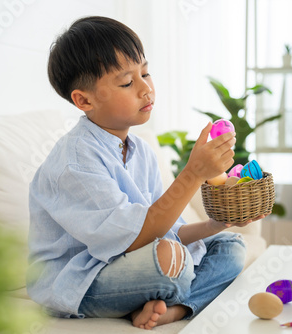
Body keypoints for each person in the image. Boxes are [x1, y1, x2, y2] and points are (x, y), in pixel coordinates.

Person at [27, 16, 266, 330]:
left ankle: (176, 308)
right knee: (170, 260)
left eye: (145, 72)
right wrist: (193, 172)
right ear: (84, 100)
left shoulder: (141, 151)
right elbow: (136, 239)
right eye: (127, 82)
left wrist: (215, 223)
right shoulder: (75, 159)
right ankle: (174, 297)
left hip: (141, 260)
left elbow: (166, 229)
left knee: (231, 246)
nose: (146, 88)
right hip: (82, 283)